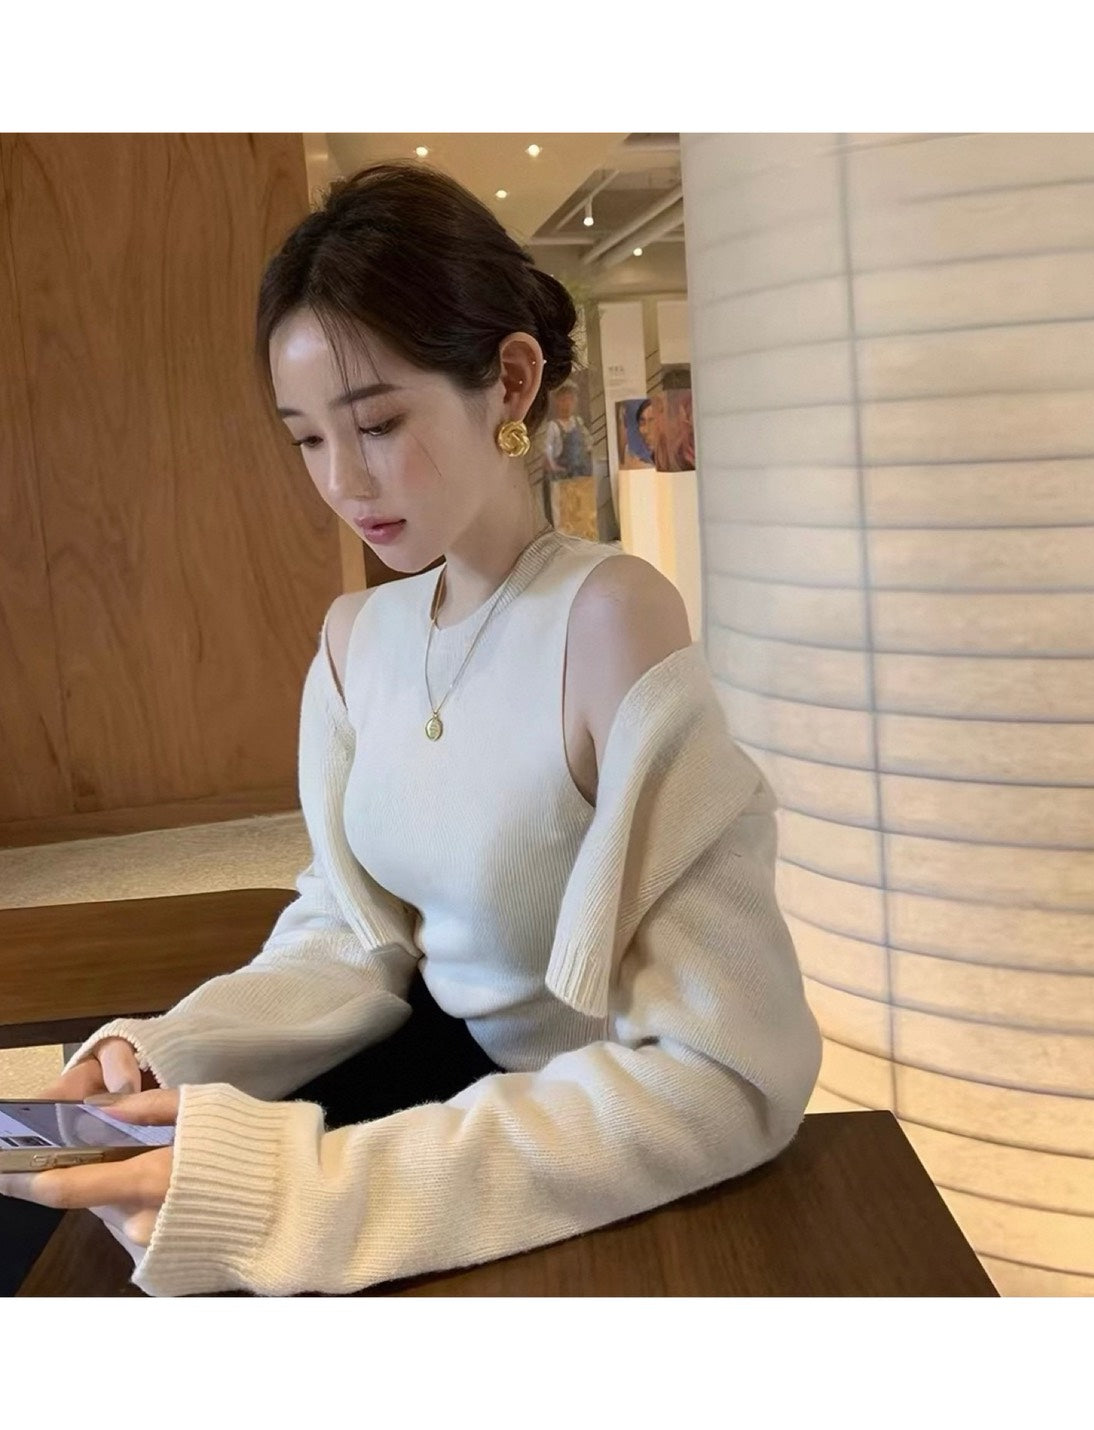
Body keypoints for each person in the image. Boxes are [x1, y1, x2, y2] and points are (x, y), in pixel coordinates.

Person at [0, 162, 823, 1297]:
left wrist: (301, 1188)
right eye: (305, 439)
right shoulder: (358, 638)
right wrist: (168, 1046)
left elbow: (728, 1073)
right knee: (55, 1224)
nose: (344, 481)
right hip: (420, 1068)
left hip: (565, 1131)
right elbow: (351, 928)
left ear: (510, 382)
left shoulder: (609, 619)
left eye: (378, 423)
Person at [541, 382, 593, 479]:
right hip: (564, 477)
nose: (568, 403)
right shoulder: (553, 426)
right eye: (564, 400)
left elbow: (589, 445)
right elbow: (547, 451)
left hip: (582, 475)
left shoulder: (579, 422)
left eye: (571, 399)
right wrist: (553, 467)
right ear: (557, 402)